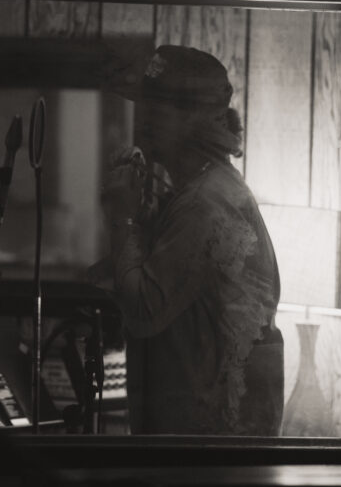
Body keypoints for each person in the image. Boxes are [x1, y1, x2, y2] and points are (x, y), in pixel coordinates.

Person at [95, 44, 284, 436]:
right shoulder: (208, 189)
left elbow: (144, 310)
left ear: (194, 120)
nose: (143, 120)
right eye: (144, 106)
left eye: (158, 109)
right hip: (207, 445)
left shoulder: (204, 203)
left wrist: (122, 216)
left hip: (207, 451)